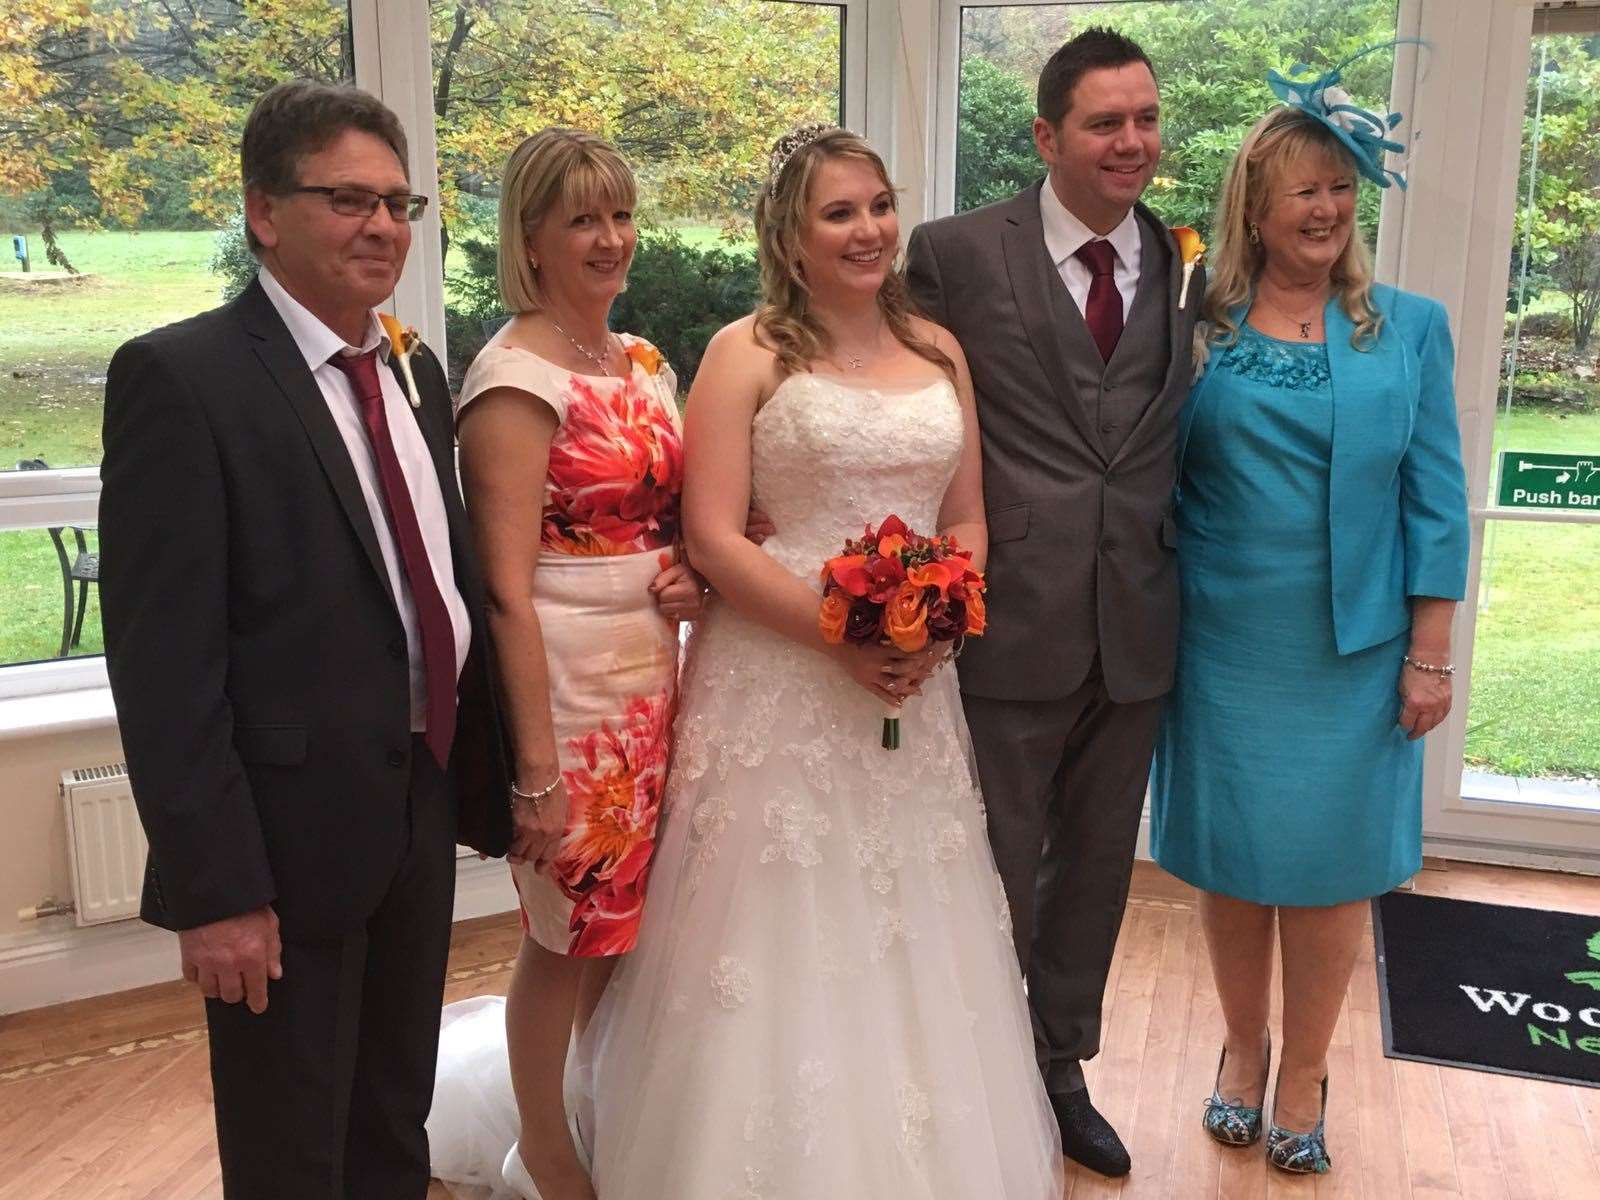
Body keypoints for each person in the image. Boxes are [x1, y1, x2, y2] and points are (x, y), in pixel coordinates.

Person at [98, 80, 511, 1199]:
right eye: (346, 199)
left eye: (397, 202)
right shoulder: (183, 380)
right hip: (278, 851)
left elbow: (438, 582)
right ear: (263, 212)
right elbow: (164, 666)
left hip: (413, 813)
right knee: (291, 1149)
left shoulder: (412, 369)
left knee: (393, 1122)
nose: (380, 226)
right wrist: (217, 889)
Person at [1149, 63, 1469, 1174]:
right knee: (1234, 864)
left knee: (1329, 873)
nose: (1328, 210)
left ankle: (1305, 1072)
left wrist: (1429, 656)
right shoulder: (1199, 320)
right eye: (1304, 192)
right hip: (1222, 639)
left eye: (1341, 188)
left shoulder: (1409, 329)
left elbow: (1435, 500)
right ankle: (1241, 1051)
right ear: (1256, 208)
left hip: (1355, 650)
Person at [905, 27, 1203, 1177]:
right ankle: (967, 1074)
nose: (1132, 142)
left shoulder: (1182, 264)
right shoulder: (951, 253)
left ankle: (1057, 1067)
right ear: (1046, 136)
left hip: (1137, 617)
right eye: (1103, 123)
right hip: (1003, 616)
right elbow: (889, 404)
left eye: (1144, 119)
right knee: (985, 859)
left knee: (1091, 870)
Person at [446, 127, 702, 1200]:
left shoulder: (640, 360)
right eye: (582, 220)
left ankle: (589, 1114)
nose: (610, 239)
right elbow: (501, 588)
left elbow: (677, 516)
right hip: (567, 688)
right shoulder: (511, 378)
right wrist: (535, 769)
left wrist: (692, 566)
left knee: (622, 932)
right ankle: (543, 1152)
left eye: (620, 214)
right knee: (565, 935)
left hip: (656, 677)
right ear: (533, 239)